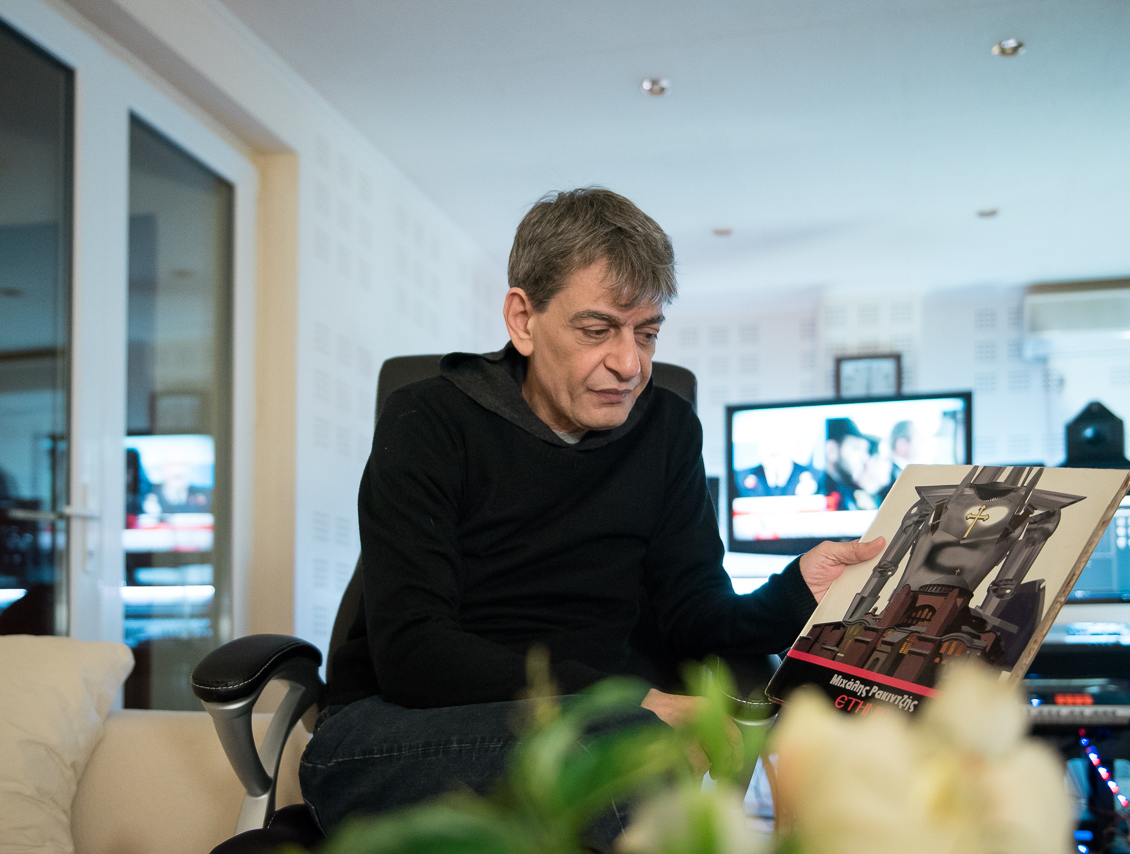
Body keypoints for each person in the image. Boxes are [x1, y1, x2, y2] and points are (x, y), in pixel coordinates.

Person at [300, 188, 883, 850]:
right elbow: (415, 654)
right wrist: (623, 701)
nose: (630, 364)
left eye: (647, 333)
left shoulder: (666, 429)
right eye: (597, 330)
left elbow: (695, 616)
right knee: (619, 755)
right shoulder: (427, 422)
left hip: (600, 726)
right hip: (398, 730)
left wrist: (796, 591)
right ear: (523, 319)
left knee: (625, 756)